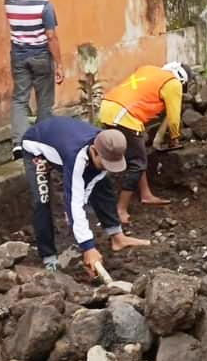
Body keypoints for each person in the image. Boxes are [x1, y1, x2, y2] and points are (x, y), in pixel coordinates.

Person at [20, 116, 150, 273]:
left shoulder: (109, 144)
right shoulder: (76, 158)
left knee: (104, 185)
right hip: (36, 147)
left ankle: (117, 237)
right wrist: (88, 248)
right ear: (94, 151)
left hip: (63, 138)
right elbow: (74, 203)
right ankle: (49, 258)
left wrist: (83, 234)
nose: (107, 167)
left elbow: (90, 187)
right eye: (105, 163)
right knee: (42, 200)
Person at [97, 62, 192, 224]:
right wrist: (174, 139)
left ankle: (146, 194)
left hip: (108, 107)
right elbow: (174, 117)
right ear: (183, 80)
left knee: (137, 157)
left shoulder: (148, 70)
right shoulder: (173, 83)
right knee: (138, 163)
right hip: (124, 115)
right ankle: (121, 209)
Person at [6, 0, 64, 161]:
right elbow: (51, 36)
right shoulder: (44, 5)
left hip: (18, 55)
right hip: (40, 55)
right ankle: (42, 142)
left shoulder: (8, 1)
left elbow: (22, 0)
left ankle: (18, 144)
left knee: (20, 99)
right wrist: (60, 64)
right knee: (45, 101)